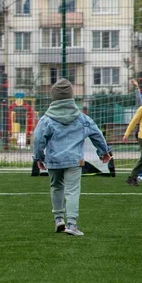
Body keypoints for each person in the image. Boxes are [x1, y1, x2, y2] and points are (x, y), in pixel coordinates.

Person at [31, 78, 112, 237]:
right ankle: (72, 224)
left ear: (53, 97)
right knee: (72, 191)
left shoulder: (46, 119)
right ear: (71, 96)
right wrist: (104, 151)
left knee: (56, 187)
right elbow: (97, 134)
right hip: (75, 160)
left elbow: (38, 138)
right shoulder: (82, 118)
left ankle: (58, 219)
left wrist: (39, 157)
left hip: (54, 160)